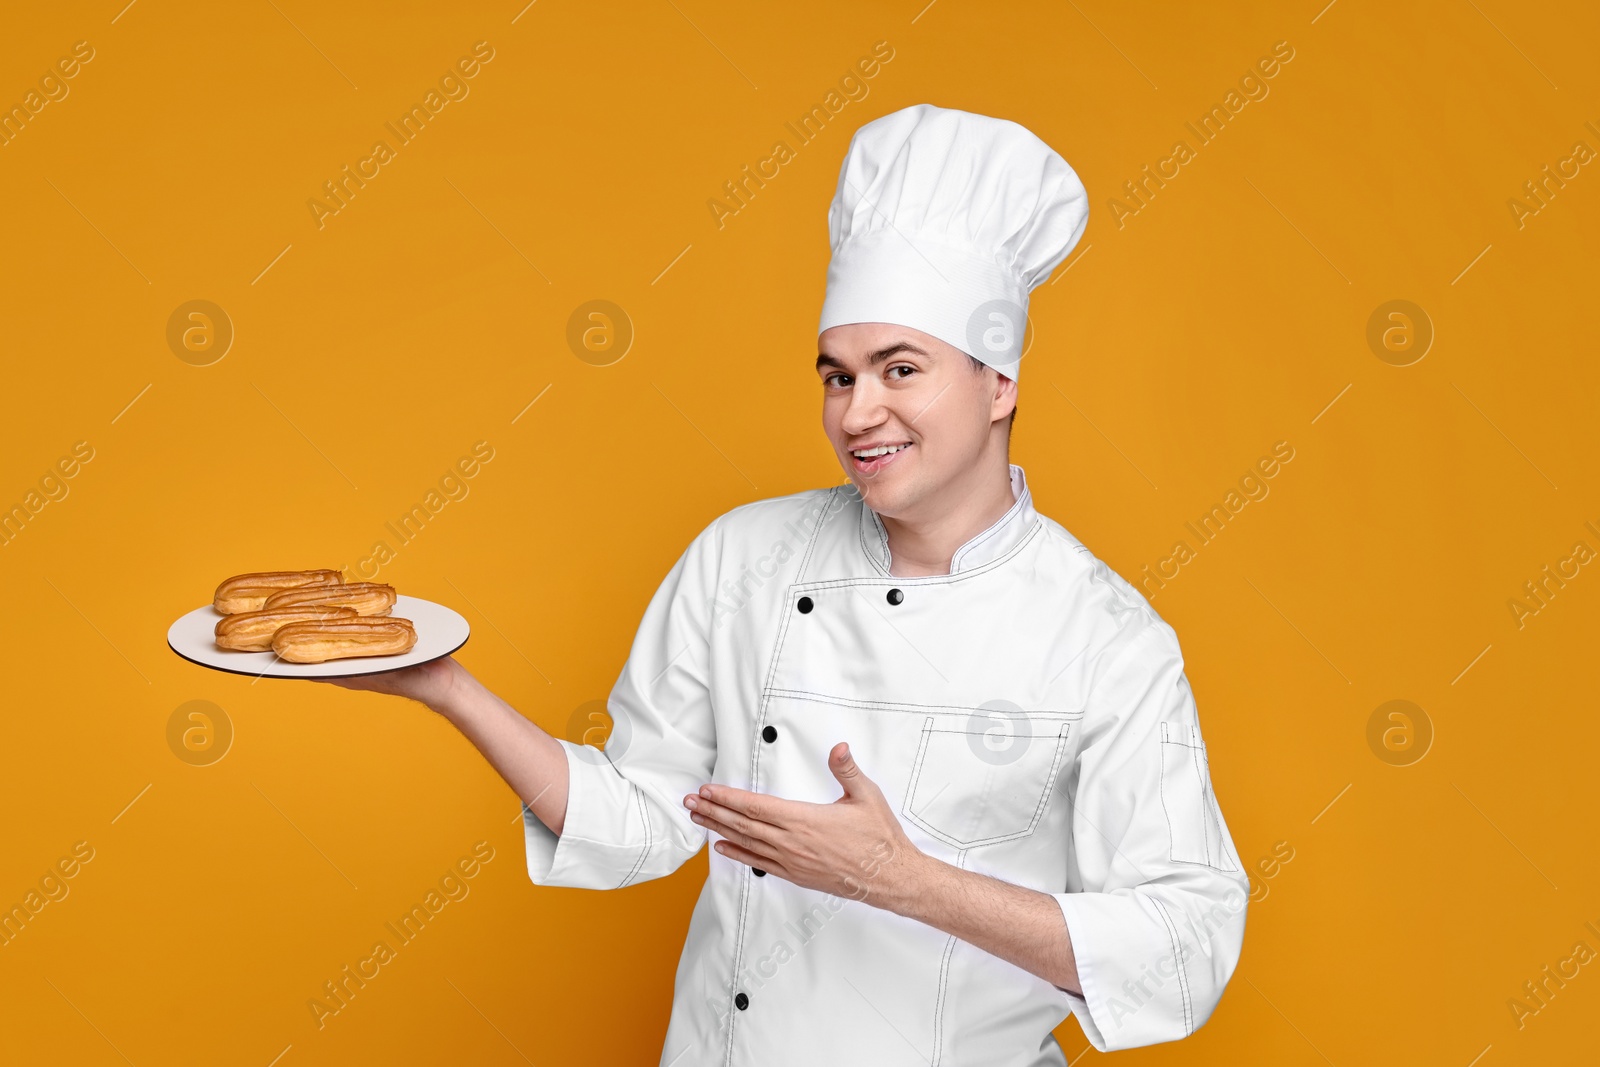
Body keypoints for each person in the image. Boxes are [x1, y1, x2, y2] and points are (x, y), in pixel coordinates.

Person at [323, 104, 1248, 1065]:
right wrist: (447, 689)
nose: (860, 412)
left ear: (999, 381)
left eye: (900, 368)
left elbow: (1185, 949)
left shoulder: (1103, 635)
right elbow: (643, 814)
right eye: (837, 376)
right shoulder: (744, 558)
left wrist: (902, 878)